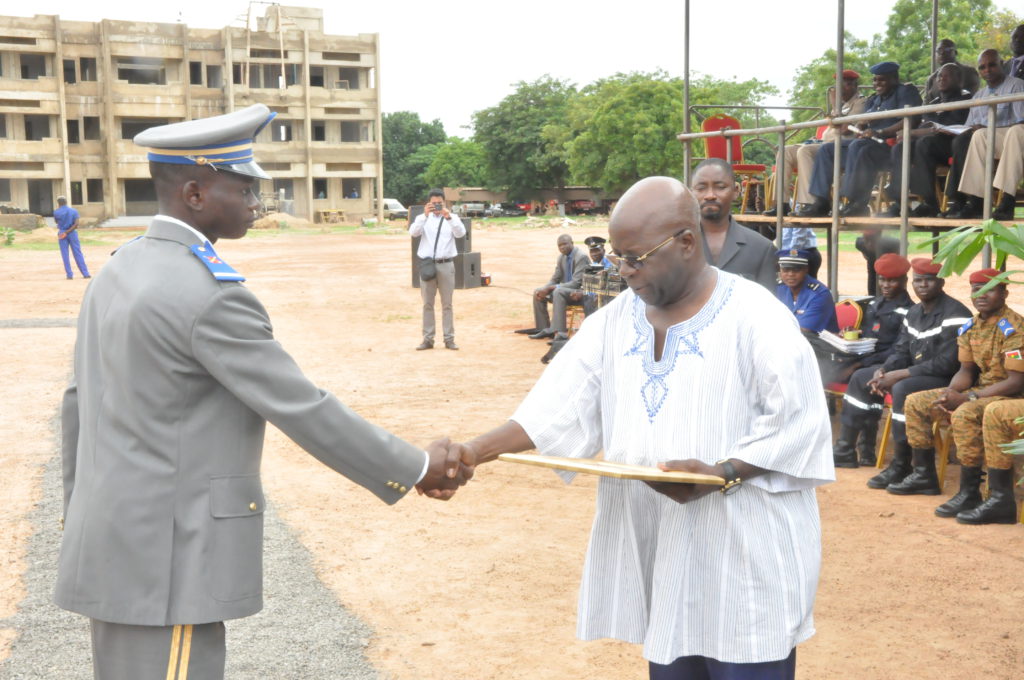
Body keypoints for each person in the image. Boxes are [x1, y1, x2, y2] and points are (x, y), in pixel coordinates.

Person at [56, 104, 474, 680]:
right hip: (169, 557)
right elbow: (301, 406)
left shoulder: (119, 268)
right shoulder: (209, 294)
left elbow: (79, 402)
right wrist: (419, 465)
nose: (257, 202)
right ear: (196, 194)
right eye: (245, 186)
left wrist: (80, 511)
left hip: (117, 539)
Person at [442, 176, 833, 679]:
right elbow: (555, 409)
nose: (623, 270)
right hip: (662, 553)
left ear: (687, 243)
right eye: (620, 256)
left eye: (636, 257)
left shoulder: (756, 316)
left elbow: (798, 424)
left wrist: (723, 471)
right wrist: (473, 451)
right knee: (671, 654)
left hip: (744, 556)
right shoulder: (616, 320)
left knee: (746, 655)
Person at [891, 268, 1024, 498]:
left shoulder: (1013, 329)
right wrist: (950, 393)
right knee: (916, 402)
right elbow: (966, 370)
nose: (981, 295)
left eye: (989, 290)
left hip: (1008, 395)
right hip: (980, 391)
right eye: (976, 289)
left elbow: (1016, 381)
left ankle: (969, 492)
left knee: (963, 412)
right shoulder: (970, 326)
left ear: (1004, 293)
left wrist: (968, 398)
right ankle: (924, 477)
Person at [862, 259, 972, 488]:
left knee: (902, 387)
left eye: (928, 280)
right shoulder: (913, 312)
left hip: (950, 379)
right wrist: (885, 370)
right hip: (921, 373)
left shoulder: (956, 313)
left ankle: (906, 464)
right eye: (918, 281)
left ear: (941, 283)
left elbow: (948, 363)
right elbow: (902, 349)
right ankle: (905, 466)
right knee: (884, 379)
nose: (922, 285)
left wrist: (901, 374)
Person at [798, 62, 922, 218]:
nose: (877, 84)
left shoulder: (905, 92)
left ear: (894, 78)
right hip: (867, 145)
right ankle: (821, 202)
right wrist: (861, 126)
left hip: (890, 146)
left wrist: (881, 132)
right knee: (828, 149)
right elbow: (862, 125)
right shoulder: (874, 99)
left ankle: (856, 203)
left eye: (882, 80)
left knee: (859, 147)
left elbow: (911, 119)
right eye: (875, 80)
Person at [830, 255, 916, 467]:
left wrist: (857, 364)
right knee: (828, 367)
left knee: (861, 379)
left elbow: (899, 350)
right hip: (868, 359)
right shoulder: (875, 304)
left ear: (904, 281)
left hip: (893, 364)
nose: (885, 285)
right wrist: (853, 336)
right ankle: (862, 450)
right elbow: (871, 337)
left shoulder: (909, 311)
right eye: (882, 280)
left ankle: (851, 448)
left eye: (892, 281)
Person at [765, 69, 866, 217]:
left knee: (805, 151)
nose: (842, 89)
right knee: (785, 150)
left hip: (842, 145)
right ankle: (782, 204)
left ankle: (811, 204)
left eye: (847, 85)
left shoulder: (860, 102)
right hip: (824, 143)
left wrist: (835, 105)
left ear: (855, 86)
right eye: (840, 85)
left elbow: (846, 129)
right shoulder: (841, 104)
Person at [880, 63, 972, 217]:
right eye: (939, 76)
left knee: (924, 143)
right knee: (901, 147)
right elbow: (926, 124)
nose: (941, 79)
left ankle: (929, 202)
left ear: (959, 80)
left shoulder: (965, 99)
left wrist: (914, 131)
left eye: (946, 75)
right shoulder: (934, 103)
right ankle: (899, 203)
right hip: (929, 145)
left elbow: (954, 126)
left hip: (953, 145)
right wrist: (911, 134)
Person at [942, 49, 1024, 219]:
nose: (987, 70)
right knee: (978, 135)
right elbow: (968, 126)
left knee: (1015, 132)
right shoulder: (979, 95)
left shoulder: (1016, 85)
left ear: (1001, 64)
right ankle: (977, 202)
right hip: (1001, 141)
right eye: (982, 67)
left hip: (1018, 138)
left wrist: (988, 126)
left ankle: (1007, 201)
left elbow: (1021, 122)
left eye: (992, 65)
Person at [691, 159, 777, 290]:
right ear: (691, 192)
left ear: (736, 190)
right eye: (701, 188)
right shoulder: (675, 246)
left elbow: (767, 308)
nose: (710, 195)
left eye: (720, 187)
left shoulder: (762, 249)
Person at [410, 189, 467, 350]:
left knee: (447, 304)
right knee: (427, 303)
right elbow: (413, 233)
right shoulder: (422, 218)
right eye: (433, 203)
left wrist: (448, 216)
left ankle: (449, 339)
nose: (436, 206)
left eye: (439, 203)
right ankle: (428, 339)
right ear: (428, 203)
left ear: (444, 203)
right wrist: (424, 216)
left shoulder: (452, 218)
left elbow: (461, 233)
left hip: (446, 264)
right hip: (428, 265)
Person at [528, 233, 589, 339]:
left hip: (578, 293)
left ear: (572, 243)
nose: (562, 247)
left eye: (565, 244)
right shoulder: (561, 258)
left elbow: (576, 283)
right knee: (538, 292)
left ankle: (560, 333)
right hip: (564, 292)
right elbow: (555, 279)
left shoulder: (581, 257)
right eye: (559, 245)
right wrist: (544, 289)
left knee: (558, 291)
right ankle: (544, 329)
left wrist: (551, 288)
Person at [775, 249, 838, 334]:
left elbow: (803, 332)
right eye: (786, 270)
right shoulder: (778, 288)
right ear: (780, 270)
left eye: (796, 270)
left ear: (806, 270)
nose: (790, 274)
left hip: (818, 344)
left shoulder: (820, 294)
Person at [53, 195, 90, 280]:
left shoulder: (56, 212)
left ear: (58, 203)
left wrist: (64, 232)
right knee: (78, 253)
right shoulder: (74, 211)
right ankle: (85, 273)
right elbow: (76, 224)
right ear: (66, 202)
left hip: (62, 233)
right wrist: (68, 232)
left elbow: (56, 221)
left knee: (65, 254)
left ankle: (69, 275)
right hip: (72, 233)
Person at [855, 228, 900, 296]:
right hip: (872, 264)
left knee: (888, 287)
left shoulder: (889, 244)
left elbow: (903, 244)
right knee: (872, 289)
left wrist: (893, 259)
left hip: (888, 266)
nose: (869, 244)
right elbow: (863, 251)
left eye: (872, 241)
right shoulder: (860, 243)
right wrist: (866, 253)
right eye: (867, 240)